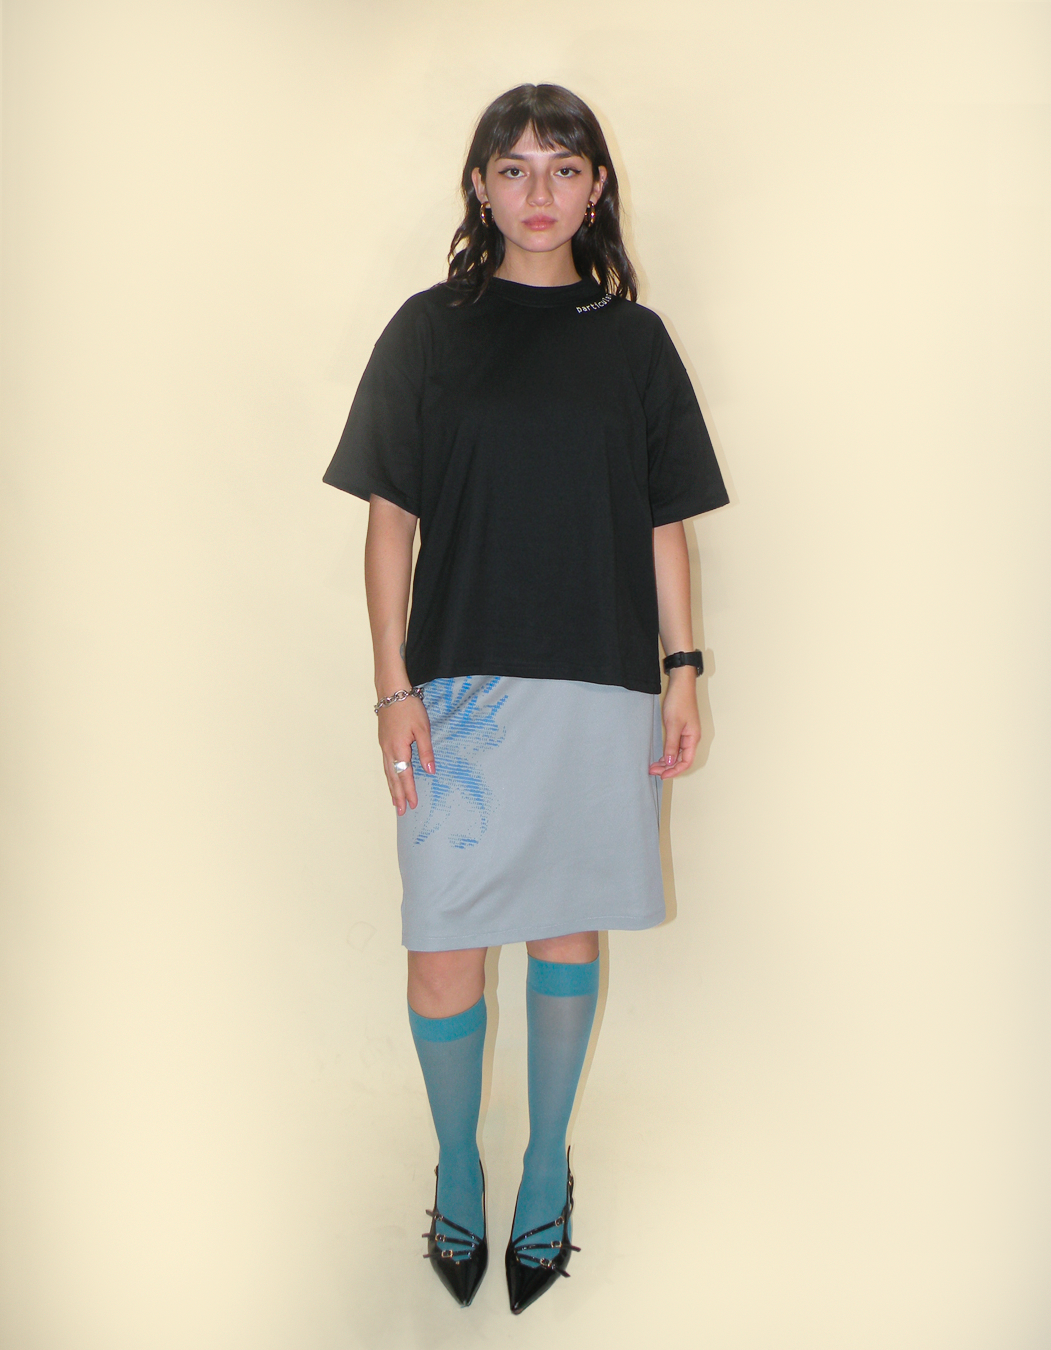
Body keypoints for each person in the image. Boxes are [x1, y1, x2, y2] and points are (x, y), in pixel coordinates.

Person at [323, 83, 727, 1315]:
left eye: (563, 167)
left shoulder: (635, 343)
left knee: (566, 929)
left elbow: (664, 522)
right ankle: (459, 1165)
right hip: (459, 694)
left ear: (596, 188)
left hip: (601, 683)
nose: (538, 191)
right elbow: (390, 524)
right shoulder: (428, 332)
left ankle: (545, 1166)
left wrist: (683, 669)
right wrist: (391, 687)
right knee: (442, 950)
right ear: (481, 187)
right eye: (514, 167)